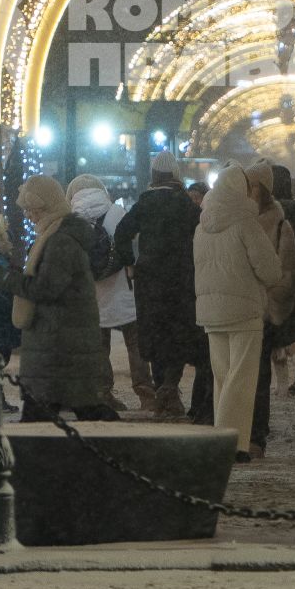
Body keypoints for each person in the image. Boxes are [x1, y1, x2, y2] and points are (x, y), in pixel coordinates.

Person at [0, 175, 120, 422]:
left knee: (44, 418)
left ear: (45, 207)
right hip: (59, 342)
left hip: (57, 344)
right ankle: (116, 452)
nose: (28, 216)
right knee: (80, 410)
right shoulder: (55, 235)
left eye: (31, 210)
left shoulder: (59, 241)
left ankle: (121, 453)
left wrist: (8, 280)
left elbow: (47, 288)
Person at [193, 163, 284, 461]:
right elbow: (269, 270)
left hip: (210, 311)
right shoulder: (246, 223)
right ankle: (235, 443)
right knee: (242, 378)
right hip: (243, 309)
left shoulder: (201, 226)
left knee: (221, 376)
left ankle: (221, 437)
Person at [116, 152, 209, 418]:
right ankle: (170, 385)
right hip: (181, 278)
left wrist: (130, 264)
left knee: (155, 333)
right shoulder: (185, 203)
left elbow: (122, 233)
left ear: (154, 175)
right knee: (177, 333)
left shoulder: (145, 202)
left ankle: (162, 390)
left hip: (150, 279)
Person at [68, 174, 153, 412]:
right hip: (122, 289)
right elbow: (135, 249)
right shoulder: (117, 212)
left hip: (91, 292)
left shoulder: (72, 220)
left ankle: (103, 393)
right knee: (135, 343)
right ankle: (146, 392)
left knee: (98, 346)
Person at [244, 158, 295, 458]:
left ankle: (256, 435)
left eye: (253, 185)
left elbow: (288, 270)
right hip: (240, 306)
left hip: (262, 308)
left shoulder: (280, 223)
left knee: (258, 377)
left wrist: (271, 299)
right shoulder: (238, 218)